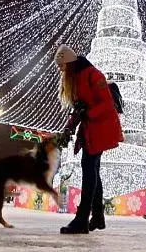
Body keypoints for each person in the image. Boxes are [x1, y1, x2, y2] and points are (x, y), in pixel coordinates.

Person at [54, 45, 123, 234]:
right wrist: (69, 127)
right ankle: (98, 216)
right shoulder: (75, 79)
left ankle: (82, 218)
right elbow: (79, 107)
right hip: (89, 129)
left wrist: (89, 113)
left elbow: (107, 104)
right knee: (92, 168)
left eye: (62, 66)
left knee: (89, 167)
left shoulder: (93, 74)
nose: (60, 70)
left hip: (101, 128)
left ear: (69, 62)